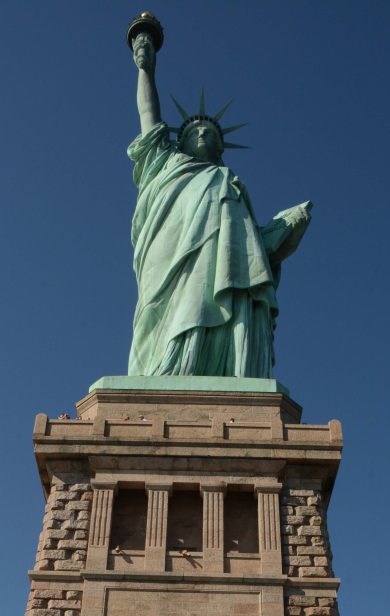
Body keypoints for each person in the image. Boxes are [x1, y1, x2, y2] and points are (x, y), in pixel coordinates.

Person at [128, 27, 311, 378]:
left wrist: (282, 230)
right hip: (168, 257)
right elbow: (148, 115)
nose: (201, 133)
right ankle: (161, 374)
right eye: (192, 132)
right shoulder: (164, 164)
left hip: (218, 264)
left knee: (216, 296)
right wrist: (145, 69)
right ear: (177, 143)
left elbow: (251, 252)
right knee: (160, 314)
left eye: (210, 133)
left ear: (221, 147)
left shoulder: (230, 183)